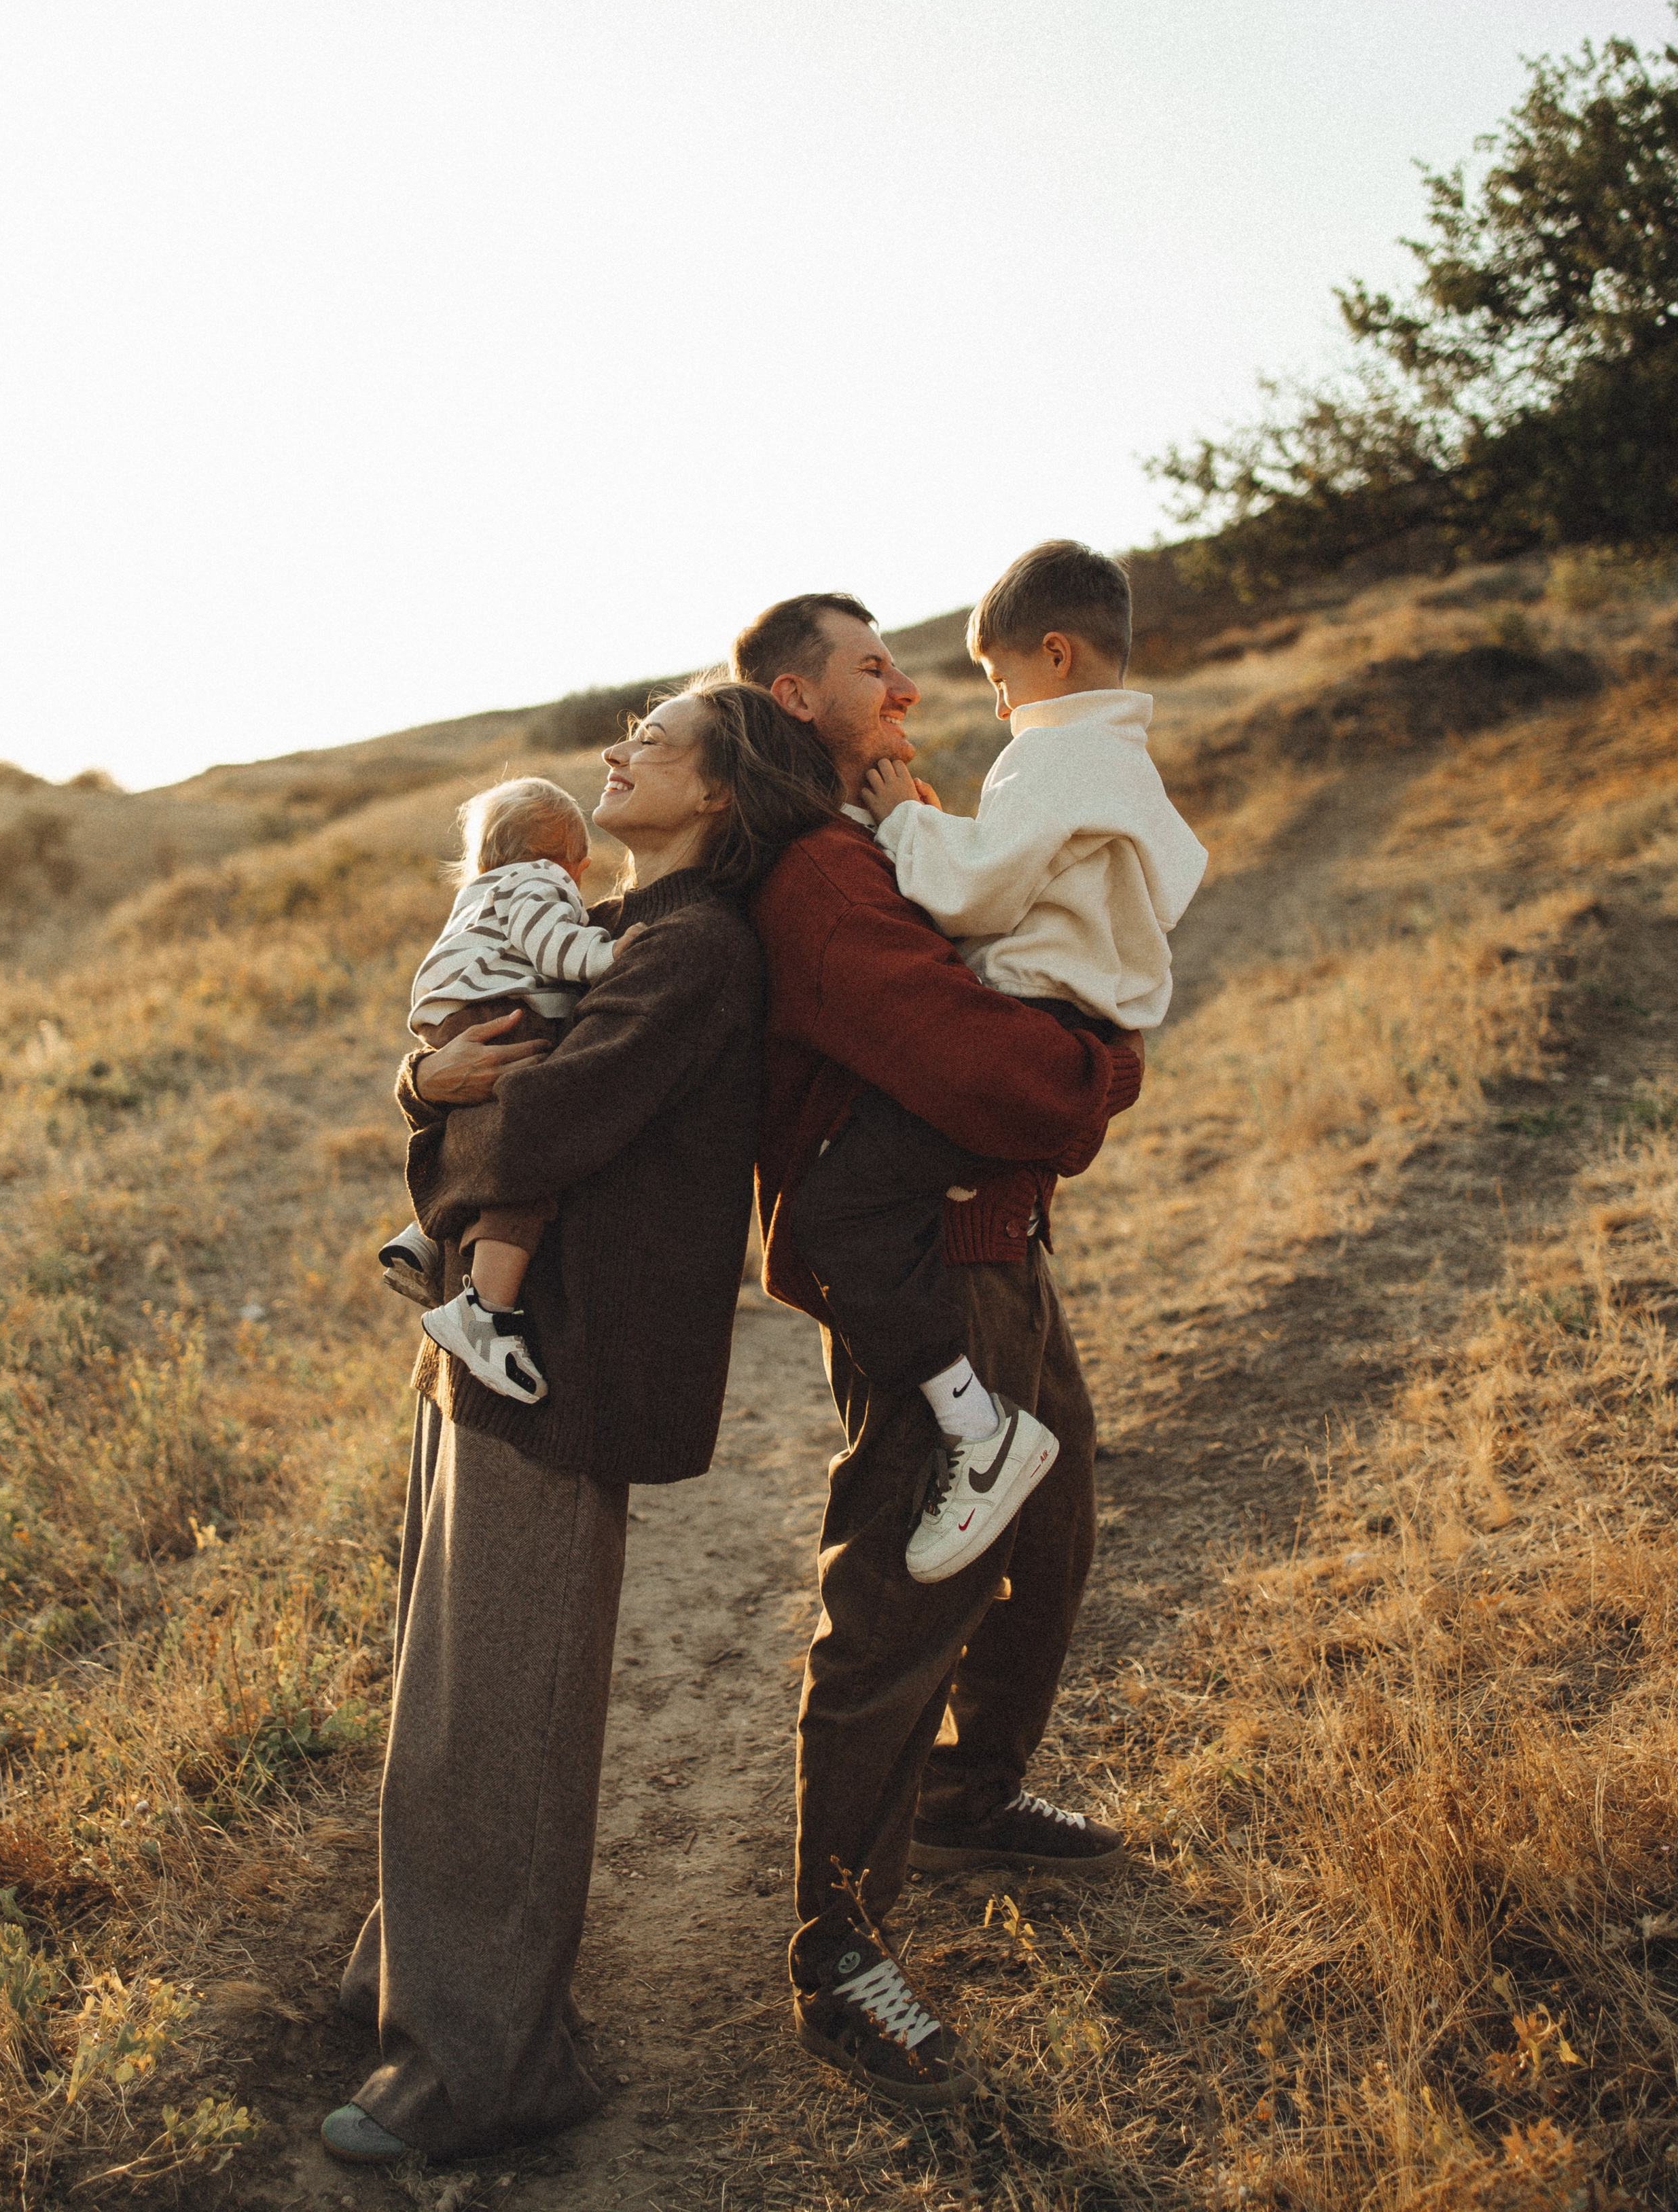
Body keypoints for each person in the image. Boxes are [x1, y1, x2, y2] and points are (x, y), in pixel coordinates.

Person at [323, 683, 843, 2169]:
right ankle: (407, 1976)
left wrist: (439, 1093)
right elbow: (475, 1070)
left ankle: (488, 2062)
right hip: (496, 1349)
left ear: (720, 795)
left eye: (653, 743)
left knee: (501, 1707)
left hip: (568, 1365)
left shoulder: (692, 949)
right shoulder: (614, 935)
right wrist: (424, 1074)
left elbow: (542, 1126)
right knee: (443, 1690)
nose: (614, 755)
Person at [733, 591, 1145, 2110]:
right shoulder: (824, 878)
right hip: (921, 1278)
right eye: (867, 664)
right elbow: (993, 1070)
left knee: (1052, 1527)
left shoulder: (886, 837)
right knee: (900, 1602)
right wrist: (1102, 1069)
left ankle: (975, 1797)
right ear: (792, 700)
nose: (902, 680)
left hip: (1000, 1247)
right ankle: (839, 1955)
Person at [790, 540, 1207, 1585]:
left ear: (1054, 655)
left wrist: (902, 824)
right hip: (1071, 1021)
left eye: (998, 675)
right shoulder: (1122, 761)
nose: (991, 698)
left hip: (1023, 1020)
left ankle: (976, 1432)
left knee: (831, 1214)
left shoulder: (1052, 756)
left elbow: (977, 893)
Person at [376, 772, 643, 1405]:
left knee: (483, 1122)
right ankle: (483, 1309)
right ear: (569, 864)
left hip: (453, 1011)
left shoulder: (480, 891)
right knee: (530, 1145)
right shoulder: (538, 881)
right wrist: (609, 957)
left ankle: (425, 1234)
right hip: (501, 1005)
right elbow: (551, 944)